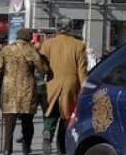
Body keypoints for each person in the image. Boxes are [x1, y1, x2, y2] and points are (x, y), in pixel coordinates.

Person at [0, 28, 50, 155]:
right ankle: (26, 149)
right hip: (27, 92)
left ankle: (7, 150)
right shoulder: (32, 50)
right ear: (29, 38)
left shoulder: (6, 49)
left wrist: (2, 77)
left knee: (9, 124)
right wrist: (44, 61)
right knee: (27, 123)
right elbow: (43, 70)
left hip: (9, 91)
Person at [39, 17, 88, 155]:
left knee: (51, 112)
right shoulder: (79, 45)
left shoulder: (47, 44)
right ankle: (61, 146)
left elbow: (42, 68)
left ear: (57, 27)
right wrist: (85, 89)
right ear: (71, 28)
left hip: (53, 84)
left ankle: (47, 132)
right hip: (71, 85)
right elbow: (82, 71)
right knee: (66, 117)